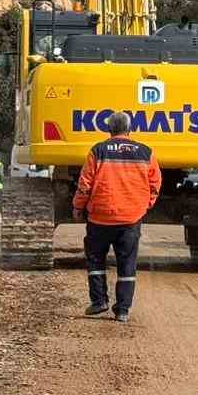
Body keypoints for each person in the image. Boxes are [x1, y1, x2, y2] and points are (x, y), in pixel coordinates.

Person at [73, 111, 162, 323]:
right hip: (131, 219)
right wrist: (144, 205)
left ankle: (99, 302)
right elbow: (155, 184)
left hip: (99, 218)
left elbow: (85, 184)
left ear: (109, 129)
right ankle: (122, 310)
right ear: (129, 129)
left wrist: (78, 206)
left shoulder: (98, 151)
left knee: (95, 259)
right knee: (127, 264)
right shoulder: (145, 152)